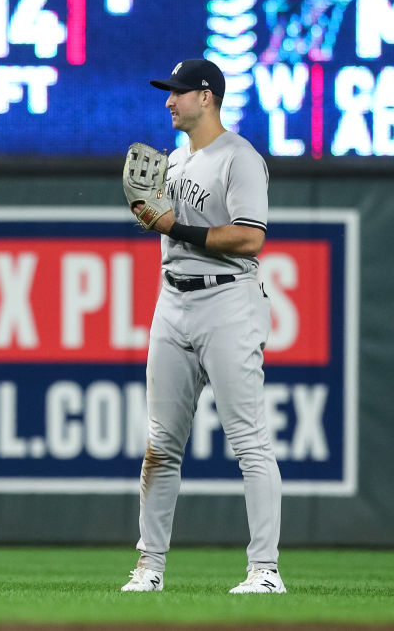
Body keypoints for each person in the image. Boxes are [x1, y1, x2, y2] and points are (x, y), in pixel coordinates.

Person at [120, 59, 286, 594]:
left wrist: (172, 224)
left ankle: (265, 571)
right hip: (173, 299)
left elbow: (249, 238)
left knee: (249, 442)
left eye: (179, 93)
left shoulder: (240, 158)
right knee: (160, 444)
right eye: (168, 92)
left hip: (228, 300)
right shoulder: (172, 160)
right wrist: (154, 219)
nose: (169, 101)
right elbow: (168, 226)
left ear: (207, 96)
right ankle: (149, 568)